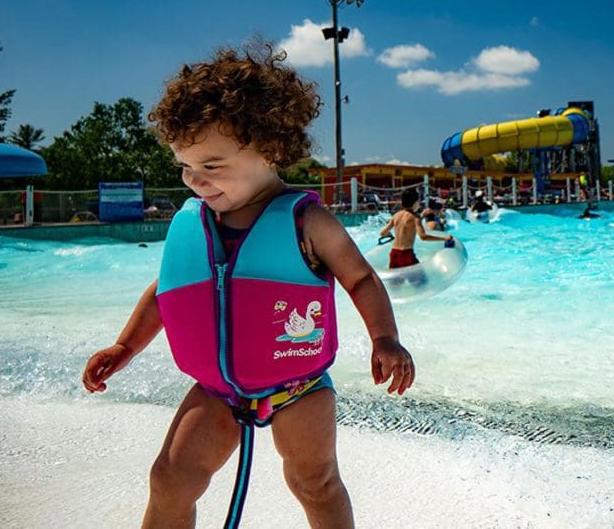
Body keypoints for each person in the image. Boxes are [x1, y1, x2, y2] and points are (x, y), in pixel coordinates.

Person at [81, 46, 415, 528]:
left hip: (298, 387)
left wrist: (385, 338)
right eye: (185, 167)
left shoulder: (307, 221)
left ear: (269, 149)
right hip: (218, 388)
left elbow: (360, 278)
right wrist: (125, 346)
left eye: (211, 166)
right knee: (170, 478)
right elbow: (166, 293)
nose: (196, 181)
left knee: (314, 483)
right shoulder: (197, 222)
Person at [381, 189, 453, 267]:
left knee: (397, 279)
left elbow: (383, 233)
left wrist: (391, 236)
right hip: (406, 254)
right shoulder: (415, 218)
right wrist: (444, 238)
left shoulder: (396, 216)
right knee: (422, 278)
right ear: (415, 203)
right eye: (418, 202)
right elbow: (423, 236)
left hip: (394, 253)